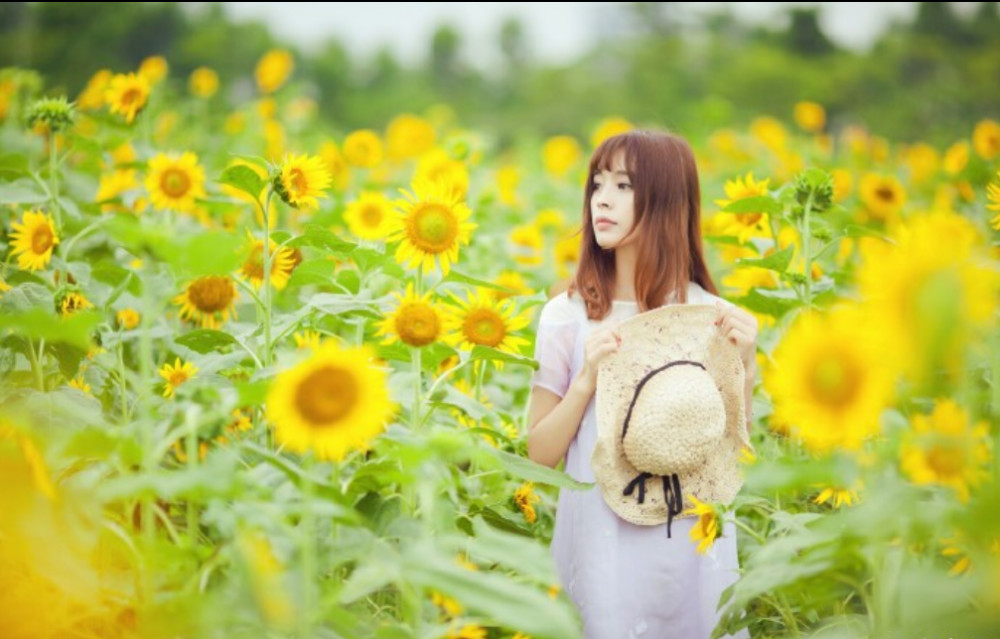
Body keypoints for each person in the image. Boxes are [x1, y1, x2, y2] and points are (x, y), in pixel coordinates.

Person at [527, 129, 757, 639]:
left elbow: (730, 455)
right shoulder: (566, 317)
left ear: (666, 202)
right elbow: (538, 455)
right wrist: (586, 382)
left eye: (624, 186)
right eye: (597, 183)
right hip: (600, 547)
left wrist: (746, 363)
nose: (601, 200)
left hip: (691, 546)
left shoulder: (712, 318)